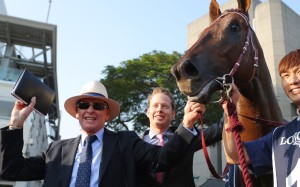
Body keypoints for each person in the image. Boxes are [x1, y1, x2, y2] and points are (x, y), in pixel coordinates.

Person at [0, 81, 200, 187]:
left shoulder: (126, 142)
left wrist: (186, 124)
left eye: (98, 105)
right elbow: (11, 170)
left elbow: (163, 158)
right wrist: (15, 126)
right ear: (77, 112)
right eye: (84, 104)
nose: (90, 110)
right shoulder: (56, 150)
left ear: (106, 114)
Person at [222, 49, 300, 187]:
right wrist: (229, 112)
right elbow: (235, 156)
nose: (293, 81)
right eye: (285, 75)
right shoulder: (280, 135)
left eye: (299, 72)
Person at [137, 87, 224, 187]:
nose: (159, 109)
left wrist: (230, 102)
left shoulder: (188, 136)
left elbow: (221, 128)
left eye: (165, 106)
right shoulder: (134, 144)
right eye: (155, 106)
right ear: (148, 112)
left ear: (173, 114)